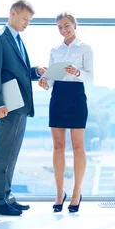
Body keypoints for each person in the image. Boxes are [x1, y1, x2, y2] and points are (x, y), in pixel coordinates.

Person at [0, 0, 46, 216]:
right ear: (13, 13)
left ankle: (6, 196)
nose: (26, 24)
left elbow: (16, 72)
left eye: (29, 21)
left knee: (11, 155)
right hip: (6, 107)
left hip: (19, 107)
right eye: (24, 19)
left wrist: (35, 71)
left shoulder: (18, 40)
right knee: (1, 154)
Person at [38, 12, 93, 213]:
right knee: (58, 146)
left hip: (77, 95)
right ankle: (60, 193)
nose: (64, 30)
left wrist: (77, 73)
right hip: (58, 96)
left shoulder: (85, 48)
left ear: (75, 24)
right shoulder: (55, 50)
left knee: (78, 146)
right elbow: (51, 77)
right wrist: (45, 82)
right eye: (60, 27)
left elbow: (90, 76)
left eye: (66, 25)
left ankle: (77, 192)